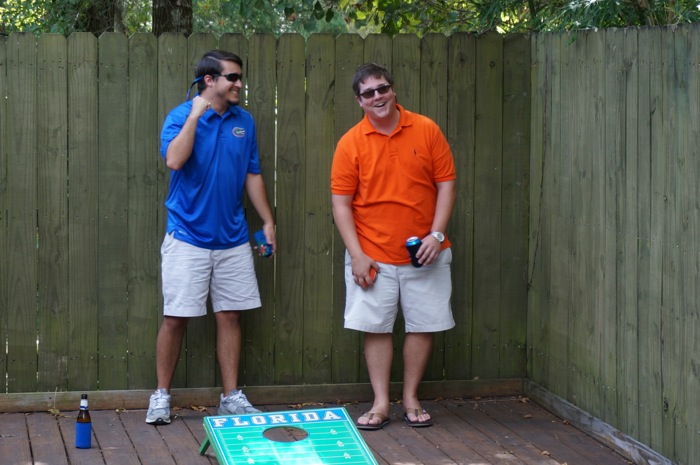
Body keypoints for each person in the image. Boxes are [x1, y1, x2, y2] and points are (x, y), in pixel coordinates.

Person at [146, 50, 276, 425]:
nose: (239, 84)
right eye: (232, 77)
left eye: (239, 77)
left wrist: (267, 220)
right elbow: (174, 160)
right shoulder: (180, 117)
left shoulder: (244, 122)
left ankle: (231, 398)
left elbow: (252, 173)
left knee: (230, 315)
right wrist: (194, 115)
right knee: (175, 319)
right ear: (209, 80)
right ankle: (161, 397)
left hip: (233, 238)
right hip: (186, 237)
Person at [331, 63, 456, 430]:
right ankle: (381, 403)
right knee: (377, 327)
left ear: (393, 89)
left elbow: (447, 184)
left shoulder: (427, 129)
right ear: (359, 101)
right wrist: (357, 254)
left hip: (426, 251)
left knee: (423, 325)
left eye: (382, 89)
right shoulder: (350, 143)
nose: (377, 97)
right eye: (368, 93)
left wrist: (436, 235)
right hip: (372, 253)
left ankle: (411, 398)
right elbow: (341, 203)